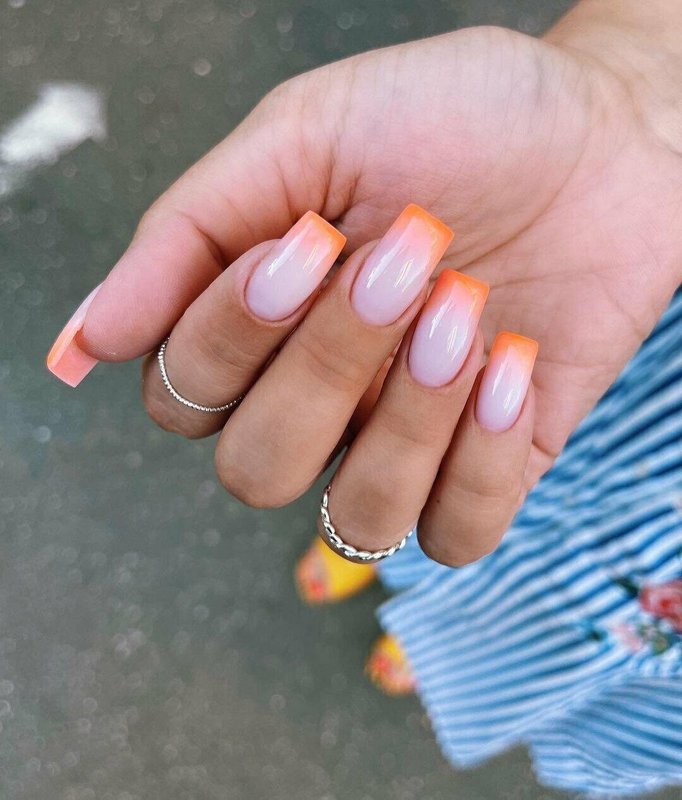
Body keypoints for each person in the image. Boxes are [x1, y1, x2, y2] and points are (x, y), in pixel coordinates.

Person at [46, 0, 682, 794]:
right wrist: (634, 83)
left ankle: (460, 626)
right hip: (637, 315)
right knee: (450, 455)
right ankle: (409, 569)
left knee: (457, 492)